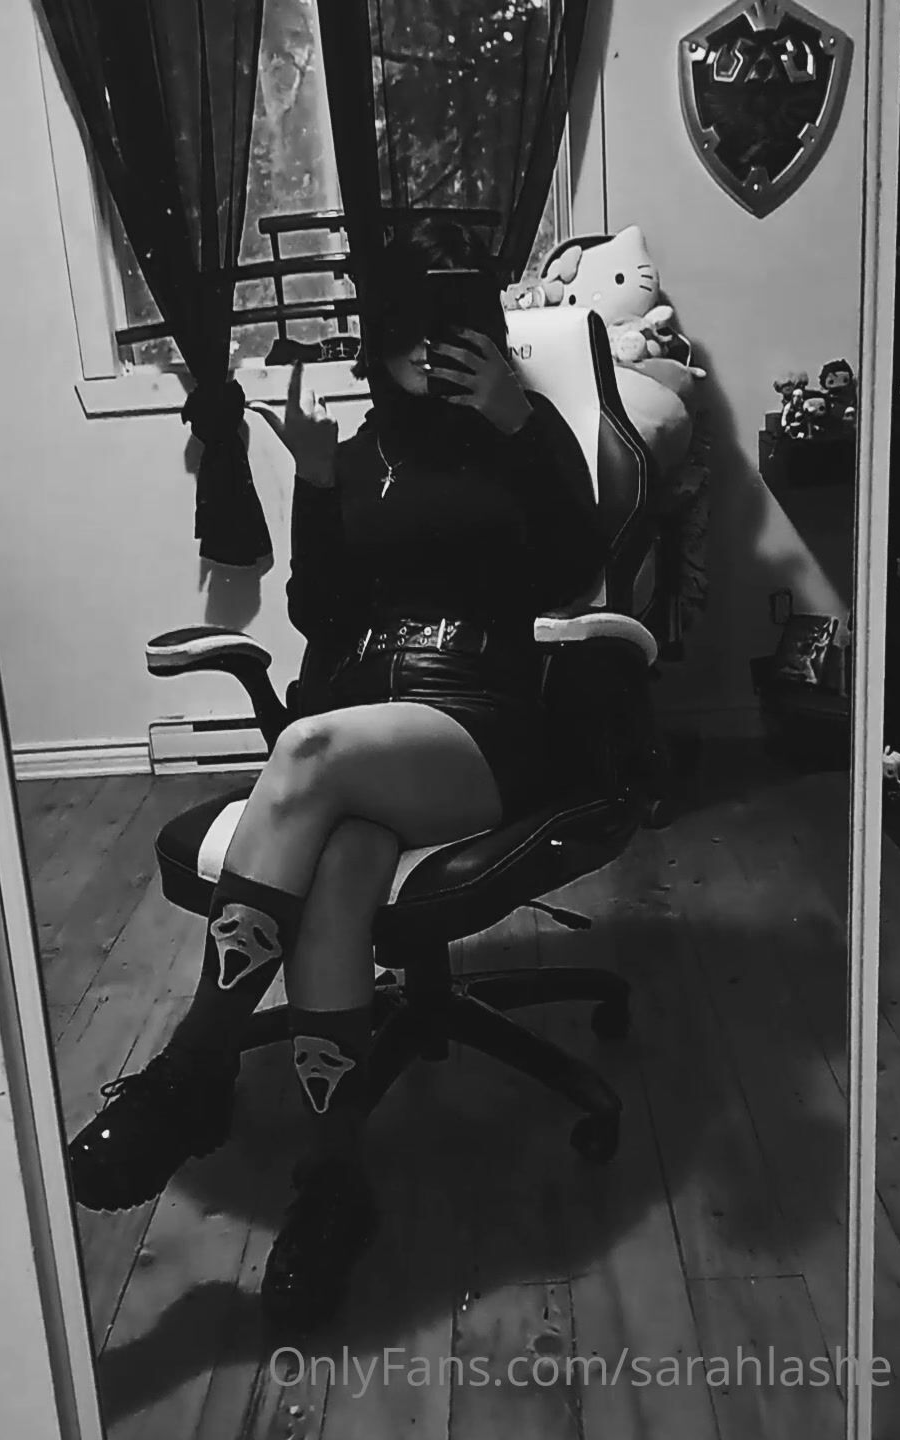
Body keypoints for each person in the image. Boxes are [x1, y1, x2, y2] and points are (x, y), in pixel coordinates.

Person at [66, 219, 608, 1333]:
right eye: (407, 333)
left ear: (486, 338)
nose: (427, 353)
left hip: (483, 720)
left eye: (452, 333)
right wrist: (314, 485)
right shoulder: (360, 456)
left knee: (306, 751)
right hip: (367, 721)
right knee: (342, 875)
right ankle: (335, 1183)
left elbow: (573, 571)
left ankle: (193, 1070)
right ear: (377, 341)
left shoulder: (521, 433)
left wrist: (518, 421)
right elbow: (320, 614)